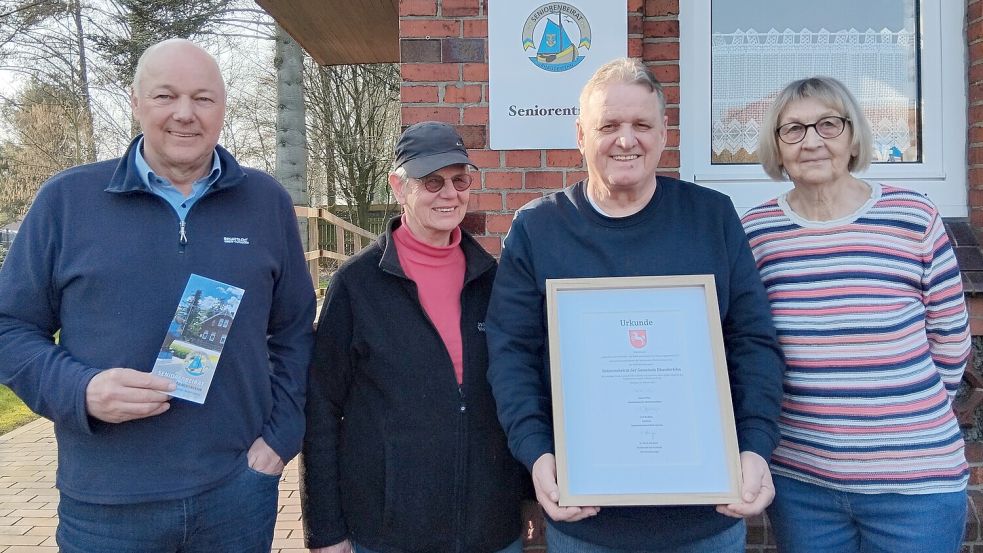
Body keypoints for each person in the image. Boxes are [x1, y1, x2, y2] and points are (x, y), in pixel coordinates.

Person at [0, 39, 315, 552]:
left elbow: (296, 331)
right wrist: (80, 390)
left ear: (222, 107)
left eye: (203, 98)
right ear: (136, 101)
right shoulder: (68, 200)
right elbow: (9, 326)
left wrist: (280, 440)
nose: (185, 115)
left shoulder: (265, 202)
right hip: (105, 505)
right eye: (166, 96)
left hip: (236, 494)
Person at [486, 57, 786, 552]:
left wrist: (755, 446)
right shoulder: (537, 229)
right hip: (585, 519)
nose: (626, 140)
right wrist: (538, 454)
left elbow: (752, 342)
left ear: (664, 133)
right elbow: (511, 353)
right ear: (580, 135)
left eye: (641, 124)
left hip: (705, 518)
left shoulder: (711, 217)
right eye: (608, 126)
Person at [741, 76, 971, 553]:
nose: (812, 141)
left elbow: (950, 339)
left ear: (851, 136)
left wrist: (901, 420)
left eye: (828, 124)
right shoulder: (757, 231)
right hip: (802, 484)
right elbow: (749, 344)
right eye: (793, 130)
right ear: (776, 147)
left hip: (916, 485)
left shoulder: (913, 217)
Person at [300, 121, 528, 553]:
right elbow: (322, 406)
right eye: (431, 181)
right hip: (391, 530)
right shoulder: (356, 285)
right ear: (398, 187)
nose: (449, 193)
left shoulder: (492, 280)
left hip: (489, 529)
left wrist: (527, 497)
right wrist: (326, 529)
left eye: (459, 180)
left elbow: (516, 390)